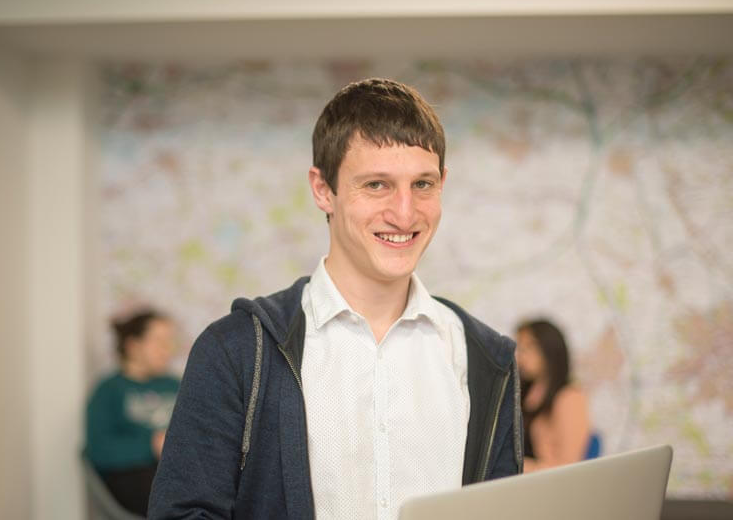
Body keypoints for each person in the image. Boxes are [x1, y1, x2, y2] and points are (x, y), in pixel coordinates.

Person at [149, 78, 522, 519]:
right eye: (377, 185)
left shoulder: (488, 361)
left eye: (422, 184)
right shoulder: (235, 351)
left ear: (442, 183)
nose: (404, 213)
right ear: (323, 189)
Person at [85, 309, 181, 517]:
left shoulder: (177, 386)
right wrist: (152, 444)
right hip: (135, 477)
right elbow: (99, 451)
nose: (168, 349)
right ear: (133, 346)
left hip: (177, 473)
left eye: (170, 341)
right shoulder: (109, 390)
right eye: (159, 341)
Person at [515, 319, 591, 473]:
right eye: (520, 348)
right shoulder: (523, 393)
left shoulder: (569, 397)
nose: (521, 356)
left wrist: (513, 467)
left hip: (547, 488)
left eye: (528, 347)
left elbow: (567, 466)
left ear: (549, 349)